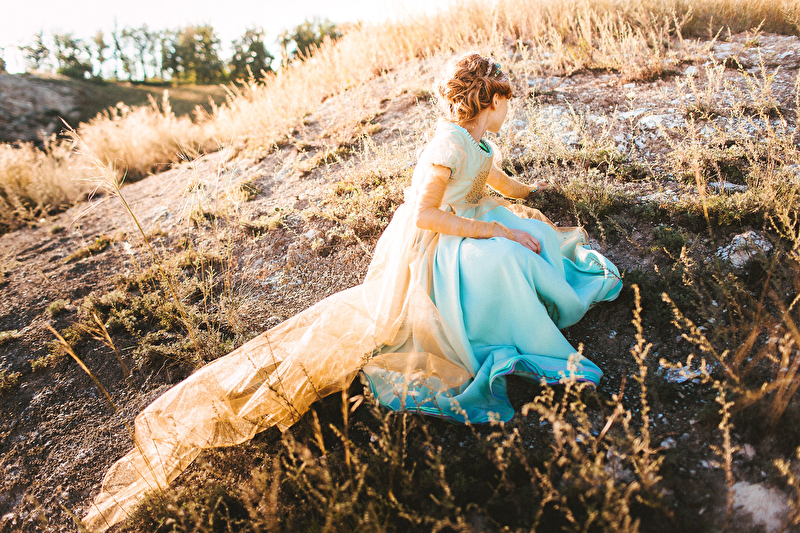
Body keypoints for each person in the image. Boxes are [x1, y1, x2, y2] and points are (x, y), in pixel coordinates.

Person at [83, 52, 621, 532]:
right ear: (491, 100)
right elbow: (427, 214)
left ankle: (537, 298)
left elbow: (493, 179)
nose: (510, 107)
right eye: (507, 99)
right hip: (443, 242)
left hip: (473, 219)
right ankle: (502, 326)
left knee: (534, 239)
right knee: (504, 255)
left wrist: (529, 194)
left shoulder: (479, 139)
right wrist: (497, 229)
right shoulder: (447, 143)